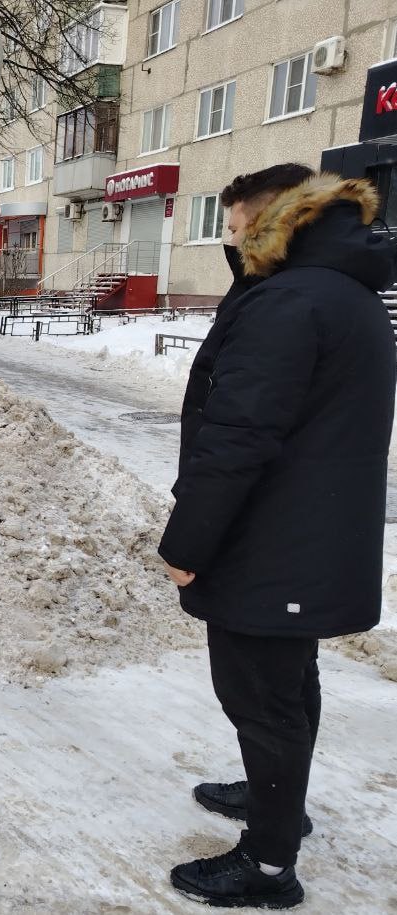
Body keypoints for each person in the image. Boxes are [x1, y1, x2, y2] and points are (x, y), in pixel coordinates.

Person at [159, 165, 397, 908]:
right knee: (288, 687)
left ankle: (267, 864)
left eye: (234, 227)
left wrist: (186, 543)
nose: (230, 241)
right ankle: (278, 806)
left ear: (270, 220)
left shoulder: (290, 301)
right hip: (306, 534)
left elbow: (235, 437)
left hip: (269, 539)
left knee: (261, 699)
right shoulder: (340, 290)